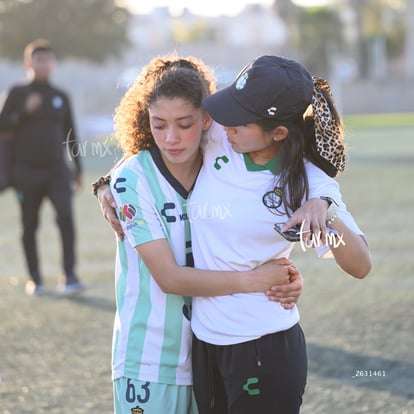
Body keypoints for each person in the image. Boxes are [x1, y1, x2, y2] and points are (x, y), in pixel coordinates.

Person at [93, 55, 303, 414]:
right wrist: (256, 280)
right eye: (158, 125)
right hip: (150, 362)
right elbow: (169, 278)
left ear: (207, 121)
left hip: (209, 356)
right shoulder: (132, 179)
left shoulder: (223, 157)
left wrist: (284, 275)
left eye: (184, 124)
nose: (171, 138)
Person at [187, 55, 372, 413]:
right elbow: (156, 141)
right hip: (205, 343)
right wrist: (105, 184)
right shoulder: (219, 137)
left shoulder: (310, 182)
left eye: (240, 119)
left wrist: (326, 210)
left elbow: (361, 264)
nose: (227, 125)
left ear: (279, 132)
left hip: (263, 348)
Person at [0, 39, 85, 296]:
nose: (44, 64)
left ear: (53, 64)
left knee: (66, 218)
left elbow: (71, 134)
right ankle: (35, 280)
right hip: (25, 172)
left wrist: (77, 169)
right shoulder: (17, 93)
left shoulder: (60, 96)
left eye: (48, 60)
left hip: (57, 170)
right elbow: (3, 126)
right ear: (29, 63)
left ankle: (69, 277)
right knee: (29, 225)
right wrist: (23, 112)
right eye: (38, 60)